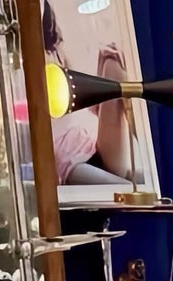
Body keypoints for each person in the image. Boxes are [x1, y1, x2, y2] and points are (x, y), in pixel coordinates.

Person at [43, 0, 134, 186]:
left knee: (112, 63)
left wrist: (102, 64)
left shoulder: (58, 52)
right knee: (124, 189)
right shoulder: (20, 55)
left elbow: (87, 100)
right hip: (64, 157)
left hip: (83, 143)